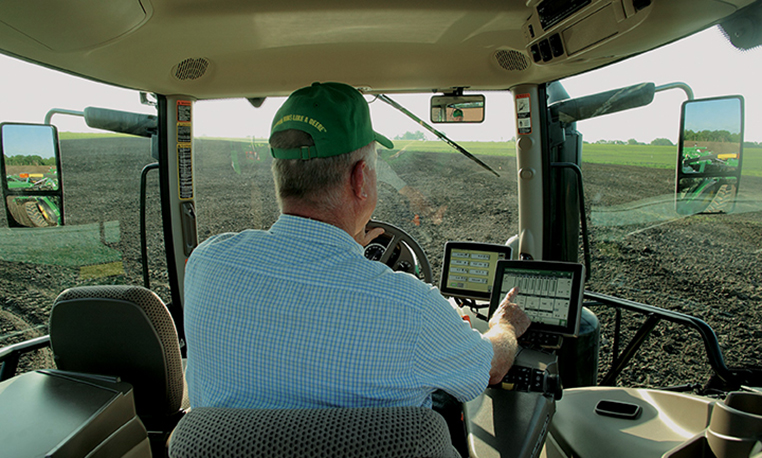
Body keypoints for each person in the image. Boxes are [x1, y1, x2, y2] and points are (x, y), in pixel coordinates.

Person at [183, 82, 529, 447]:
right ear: (360, 178)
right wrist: (505, 325)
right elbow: (491, 367)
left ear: (281, 175)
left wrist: (344, 246)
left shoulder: (206, 263)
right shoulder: (412, 308)